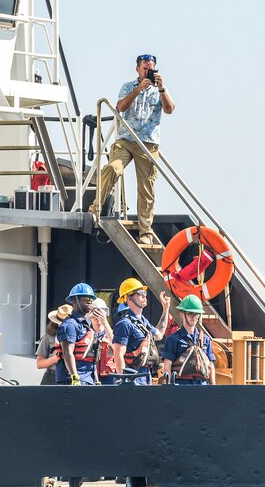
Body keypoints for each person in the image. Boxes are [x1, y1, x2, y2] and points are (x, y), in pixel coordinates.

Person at [92, 53, 175, 245]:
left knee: (146, 187)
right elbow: (120, 106)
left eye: (151, 68)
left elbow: (170, 109)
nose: (148, 71)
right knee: (113, 168)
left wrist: (161, 88)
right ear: (138, 69)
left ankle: (145, 231)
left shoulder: (160, 89)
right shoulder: (128, 87)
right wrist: (139, 89)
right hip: (127, 139)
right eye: (145, 68)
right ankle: (96, 207)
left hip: (148, 142)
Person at [112, 278, 169, 384]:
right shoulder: (124, 324)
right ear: (128, 298)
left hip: (145, 376)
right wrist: (124, 381)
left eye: (145, 292)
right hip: (132, 377)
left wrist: (166, 309)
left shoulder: (144, 322)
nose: (144, 295)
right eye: (140, 293)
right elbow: (118, 355)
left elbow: (159, 334)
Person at [161, 295, 215, 385]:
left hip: (202, 387)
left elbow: (211, 367)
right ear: (182, 314)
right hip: (182, 388)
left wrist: (214, 390)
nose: (194, 317)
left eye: (196, 314)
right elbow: (167, 367)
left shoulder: (205, 339)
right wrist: (169, 391)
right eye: (190, 313)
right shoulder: (173, 339)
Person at [56, 283, 100, 386]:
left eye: (91, 300)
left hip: (88, 379)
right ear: (74, 301)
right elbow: (67, 353)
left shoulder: (87, 325)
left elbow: (92, 358)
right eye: (86, 300)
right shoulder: (70, 325)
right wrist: (75, 378)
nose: (90, 303)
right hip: (72, 380)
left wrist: (96, 380)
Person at [35, 306, 70, 385]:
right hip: (52, 377)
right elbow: (39, 364)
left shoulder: (78, 337)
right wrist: (57, 357)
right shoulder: (48, 338)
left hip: (70, 377)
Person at [90, 298, 119, 385]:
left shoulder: (111, 333)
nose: (97, 316)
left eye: (101, 312)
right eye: (95, 312)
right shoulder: (86, 333)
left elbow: (116, 347)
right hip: (90, 375)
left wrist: (105, 322)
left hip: (110, 377)